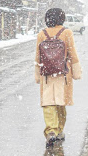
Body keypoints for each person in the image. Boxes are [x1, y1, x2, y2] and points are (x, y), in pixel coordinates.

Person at [35, 8, 82, 146]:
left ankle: (51, 130)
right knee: (61, 103)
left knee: (48, 102)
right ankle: (60, 130)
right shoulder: (67, 33)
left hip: (47, 73)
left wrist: (37, 74)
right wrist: (76, 72)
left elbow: (38, 57)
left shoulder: (42, 34)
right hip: (63, 73)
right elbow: (72, 53)